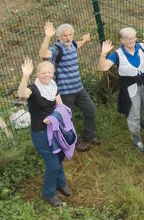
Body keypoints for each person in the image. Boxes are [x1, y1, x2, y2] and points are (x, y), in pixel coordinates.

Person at [98, 28, 144, 153]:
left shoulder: (140, 47)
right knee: (133, 112)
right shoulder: (117, 54)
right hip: (130, 88)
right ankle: (136, 139)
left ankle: (143, 125)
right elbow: (103, 67)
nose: (132, 40)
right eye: (128, 38)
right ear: (121, 40)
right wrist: (103, 54)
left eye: (133, 37)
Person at [17, 57, 72, 206]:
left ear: (53, 74)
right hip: (41, 132)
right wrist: (25, 76)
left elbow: (60, 106)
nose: (46, 76)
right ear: (37, 74)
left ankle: (61, 184)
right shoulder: (33, 89)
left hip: (55, 129)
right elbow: (21, 94)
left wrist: (54, 117)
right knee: (53, 164)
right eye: (43, 73)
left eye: (49, 73)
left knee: (59, 157)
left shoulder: (53, 86)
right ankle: (48, 193)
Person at [39, 21, 100, 151]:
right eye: (64, 36)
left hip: (79, 88)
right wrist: (47, 36)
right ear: (58, 37)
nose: (67, 38)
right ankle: (74, 141)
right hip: (65, 92)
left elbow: (77, 44)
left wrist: (85, 40)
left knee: (90, 110)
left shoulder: (72, 45)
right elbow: (43, 54)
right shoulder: (56, 50)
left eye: (70, 34)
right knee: (68, 119)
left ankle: (89, 135)